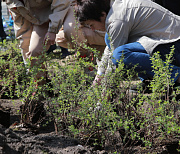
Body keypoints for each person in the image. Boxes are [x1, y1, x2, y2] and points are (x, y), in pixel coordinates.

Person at [75, 0, 180, 93]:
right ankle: (151, 81)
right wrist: (98, 77)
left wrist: (104, 93)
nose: (92, 29)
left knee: (120, 55)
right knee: (109, 39)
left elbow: (114, 62)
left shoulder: (117, 20)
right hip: (164, 41)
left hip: (174, 43)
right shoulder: (114, 9)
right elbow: (110, 48)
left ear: (102, 15)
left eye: (91, 25)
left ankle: (176, 76)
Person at [6, 0, 70, 86]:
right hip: (37, 20)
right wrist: (29, 67)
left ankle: (86, 59)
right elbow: (23, 34)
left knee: (71, 33)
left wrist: (53, 29)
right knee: (34, 52)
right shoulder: (13, 1)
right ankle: (40, 86)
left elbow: (61, 4)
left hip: (51, 16)